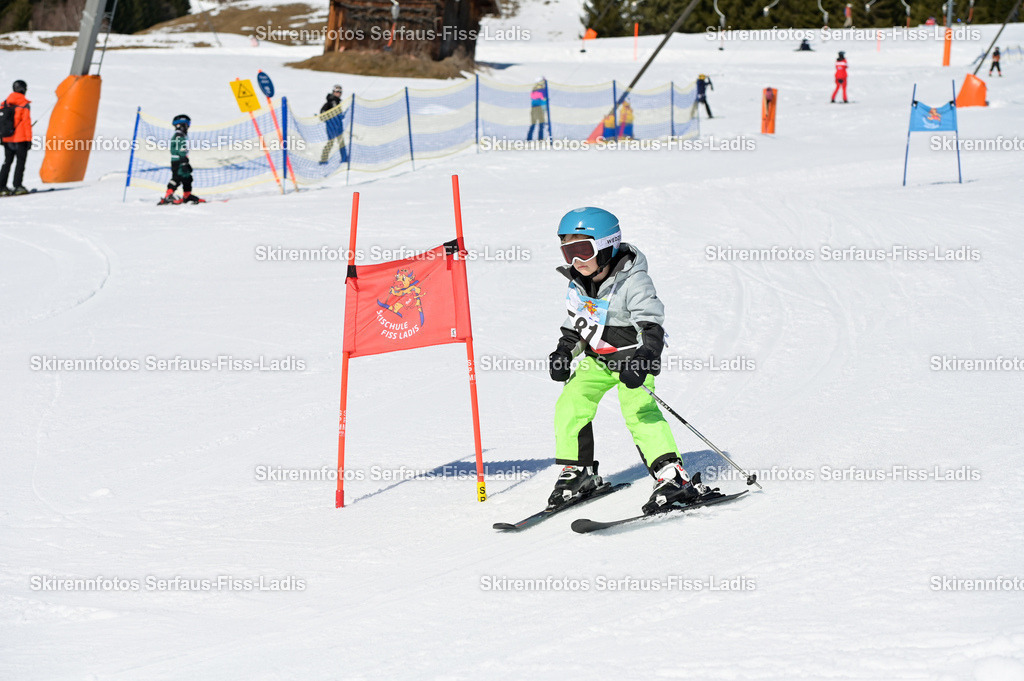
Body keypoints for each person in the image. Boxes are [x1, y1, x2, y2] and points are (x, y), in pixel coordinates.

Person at [547, 207, 717, 515]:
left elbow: (652, 325)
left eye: (582, 250)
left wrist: (644, 359)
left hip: (631, 360)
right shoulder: (577, 284)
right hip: (598, 360)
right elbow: (577, 326)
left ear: (607, 244)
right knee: (570, 403)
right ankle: (578, 472)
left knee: (638, 410)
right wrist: (563, 352)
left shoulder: (633, 281)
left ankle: (671, 476)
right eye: (568, 251)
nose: (576, 261)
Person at [158, 114, 204, 205]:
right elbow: (180, 148)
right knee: (177, 178)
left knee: (187, 177)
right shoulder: (179, 136)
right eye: (186, 125)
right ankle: (168, 195)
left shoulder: (181, 135)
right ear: (181, 126)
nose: (187, 128)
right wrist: (183, 161)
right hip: (178, 160)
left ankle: (187, 195)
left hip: (182, 159)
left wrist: (185, 161)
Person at [0, 80, 32, 196]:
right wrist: (29, 140)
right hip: (21, 138)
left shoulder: (5, 103)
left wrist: (2, 137)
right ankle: (17, 185)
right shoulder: (24, 103)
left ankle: (2, 187)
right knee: (20, 162)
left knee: (7, 162)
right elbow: (26, 123)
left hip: (7, 138)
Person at [319, 84, 348, 164]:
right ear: (333, 92)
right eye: (337, 91)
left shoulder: (337, 102)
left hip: (338, 125)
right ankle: (323, 160)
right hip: (331, 126)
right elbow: (322, 113)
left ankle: (344, 159)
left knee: (341, 142)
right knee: (331, 142)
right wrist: (328, 119)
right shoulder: (330, 101)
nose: (338, 93)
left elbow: (339, 114)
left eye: (340, 92)